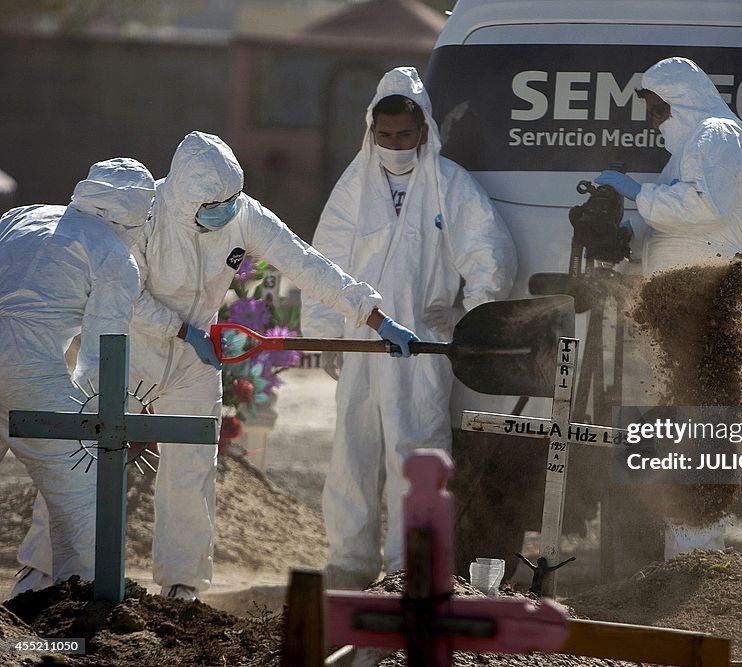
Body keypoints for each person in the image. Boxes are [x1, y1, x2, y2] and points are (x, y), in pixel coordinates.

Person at [14, 131, 419, 601]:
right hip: (128, 349)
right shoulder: (143, 213)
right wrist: (184, 330)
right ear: (184, 197)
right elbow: (123, 292)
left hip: (194, 359)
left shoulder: (243, 214)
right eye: (213, 203)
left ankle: (181, 584)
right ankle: (41, 573)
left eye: (230, 199)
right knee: (82, 460)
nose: (224, 209)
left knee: (191, 469)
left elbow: (306, 263)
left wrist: (375, 317)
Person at [302, 66, 517, 590]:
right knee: (353, 453)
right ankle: (349, 565)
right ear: (371, 133)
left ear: (423, 132)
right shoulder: (354, 186)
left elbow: (489, 256)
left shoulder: (450, 186)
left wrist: (468, 319)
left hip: (421, 345)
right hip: (360, 344)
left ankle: (409, 569)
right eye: (386, 135)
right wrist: (325, 330)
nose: (395, 144)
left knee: (416, 455)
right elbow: (322, 261)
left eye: (404, 134)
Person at [592, 57, 742, 560]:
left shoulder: (716, 135)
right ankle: (683, 557)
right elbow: (676, 219)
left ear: (679, 100)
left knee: (704, 425)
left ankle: (695, 560)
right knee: (685, 426)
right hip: (691, 302)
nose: (650, 118)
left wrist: (636, 193)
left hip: (715, 299)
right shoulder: (695, 145)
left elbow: (703, 207)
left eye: (654, 106)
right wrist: (632, 234)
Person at [1, 158, 155, 597]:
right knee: (82, 489)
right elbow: (100, 358)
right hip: (27, 372)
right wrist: (117, 423)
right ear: (134, 211)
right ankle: (84, 605)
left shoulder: (23, 215)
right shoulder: (115, 255)